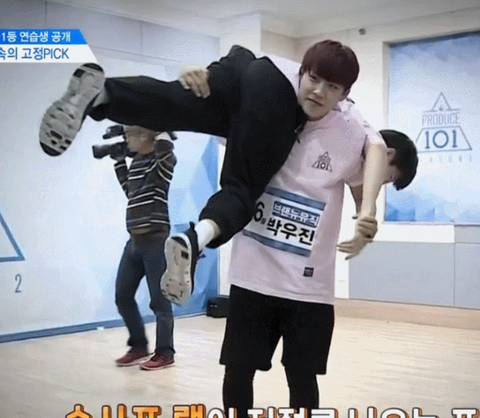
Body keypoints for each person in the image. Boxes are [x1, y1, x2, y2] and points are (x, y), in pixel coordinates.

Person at [38, 41, 388, 306]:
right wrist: (368, 210)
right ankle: (196, 239)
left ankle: (102, 94)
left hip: (241, 64)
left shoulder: (293, 67)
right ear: (306, 73)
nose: (320, 92)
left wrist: (205, 71)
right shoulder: (346, 112)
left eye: (331, 87)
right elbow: (375, 147)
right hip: (269, 96)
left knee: (173, 104)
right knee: (242, 188)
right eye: (315, 80)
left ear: (342, 91)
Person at [211, 117, 418, 418]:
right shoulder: (284, 119)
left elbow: (362, 192)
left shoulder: (354, 147)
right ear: (387, 156)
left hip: (309, 291)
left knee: (302, 382)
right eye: (387, 178)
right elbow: (224, 127)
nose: (377, 184)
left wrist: (366, 216)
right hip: (253, 278)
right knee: (237, 373)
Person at [113, 126, 177, 371]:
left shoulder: (162, 162)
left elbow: (167, 155)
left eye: (129, 135)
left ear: (143, 136)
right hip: (134, 241)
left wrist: (159, 132)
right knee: (122, 296)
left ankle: (165, 353)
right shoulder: (137, 162)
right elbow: (131, 192)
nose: (126, 140)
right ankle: (139, 346)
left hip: (155, 241)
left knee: (160, 301)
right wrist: (119, 162)